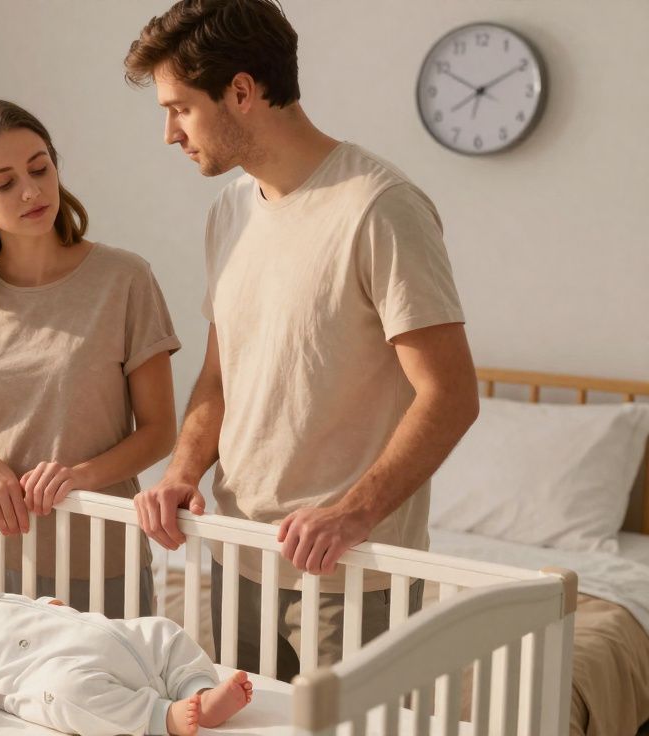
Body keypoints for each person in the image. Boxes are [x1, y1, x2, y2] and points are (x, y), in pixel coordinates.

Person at [124, 0, 480, 680]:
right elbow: (221, 379)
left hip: (354, 574)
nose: (170, 134)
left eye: (180, 109)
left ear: (241, 91)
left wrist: (352, 514)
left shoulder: (380, 207)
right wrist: (180, 474)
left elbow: (451, 395)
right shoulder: (229, 211)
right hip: (237, 556)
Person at [0, 100, 181, 616]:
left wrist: (81, 476)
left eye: (40, 168)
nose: (31, 191)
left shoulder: (124, 280)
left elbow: (159, 430)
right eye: (4, 183)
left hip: (100, 550)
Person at [0, 563, 253, 734]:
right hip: (54, 669)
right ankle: (161, 717)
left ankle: (198, 690)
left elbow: (18, 609)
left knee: (162, 631)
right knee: (69, 694)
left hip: (104, 636)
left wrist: (44, 604)